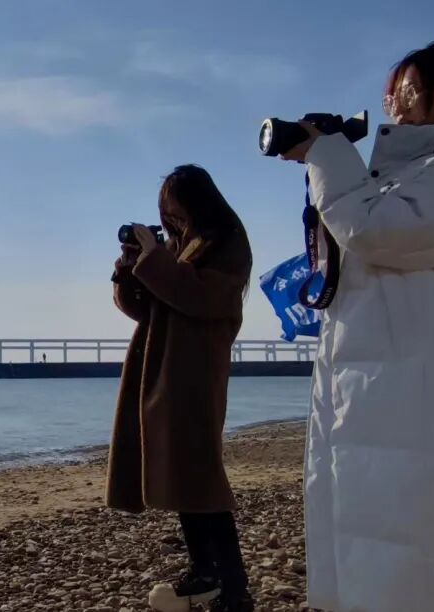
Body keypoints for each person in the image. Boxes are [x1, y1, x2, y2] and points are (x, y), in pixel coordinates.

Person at [279, 39, 434, 611]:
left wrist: (326, 153)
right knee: (377, 538)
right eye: (392, 94)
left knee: (427, 552)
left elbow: (380, 232)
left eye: (409, 89)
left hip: (430, 399)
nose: (396, 103)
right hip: (381, 393)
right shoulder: (420, 170)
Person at [105, 165, 255, 612]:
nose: (168, 216)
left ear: (195, 200)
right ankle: (205, 571)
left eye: (173, 206)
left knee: (200, 476)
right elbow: (147, 308)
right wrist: (128, 269)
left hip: (194, 371)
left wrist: (156, 260)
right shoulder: (180, 246)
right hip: (163, 369)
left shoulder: (226, 241)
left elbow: (204, 297)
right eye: (164, 210)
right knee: (182, 476)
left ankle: (234, 586)